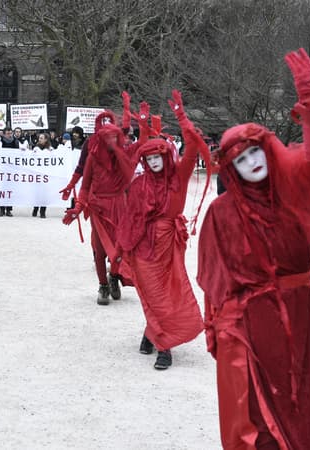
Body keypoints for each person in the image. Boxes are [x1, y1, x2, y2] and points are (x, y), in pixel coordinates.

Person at [198, 49, 310, 450]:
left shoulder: (294, 191)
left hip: (298, 312)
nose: (251, 162)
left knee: (298, 400)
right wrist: (223, 328)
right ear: (232, 168)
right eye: (241, 158)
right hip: (251, 321)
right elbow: (215, 282)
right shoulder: (221, 212)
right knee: (258, 415)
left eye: (255, 152)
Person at [114, 90, 207, 370]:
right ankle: (164, 347)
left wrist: (181, 115)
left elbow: (193, 144)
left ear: (166, 157)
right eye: (149, 158)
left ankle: (150, 335)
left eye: (158, 157)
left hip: (168, 246)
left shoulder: (178, 177)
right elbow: (129, 219)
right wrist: (120, 251)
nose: (154, 162)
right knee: (151, 292)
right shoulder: (140, 185)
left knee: (168, 293)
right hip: (144, 246)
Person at [62, 109, 135, 304]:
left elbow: (141, 148)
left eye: (114, 136)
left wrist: (135, 119)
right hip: (98, 207)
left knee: (120, 248)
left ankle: (114, 277)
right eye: (107, 137)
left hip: (120, 206)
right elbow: (84, 184)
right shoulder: (92, 156)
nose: (110, 141)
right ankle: (103, 285)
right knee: (100, 248)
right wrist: (77, 206)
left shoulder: (123, 156)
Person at [31, 132, 54, 218]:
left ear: (46, 139)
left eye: (41, 138)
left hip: (46, 174)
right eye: (39, 138)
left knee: (45, 193)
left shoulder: (50, 149)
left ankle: (43, 211)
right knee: (37, 192)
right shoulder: (36, 148)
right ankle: (35, 208)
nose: (39, 139)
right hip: (38, 174)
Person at [0, 127, 18, 217]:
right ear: (4, 134)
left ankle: (9, 210)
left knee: (10, 190)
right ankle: (1, 209)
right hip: (2, 168)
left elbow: (18, 153)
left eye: (10, 133)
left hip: (11, 169)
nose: (9, 135)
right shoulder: (0, 141)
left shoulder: (15, 141)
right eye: (8, 133)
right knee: (2, 190)